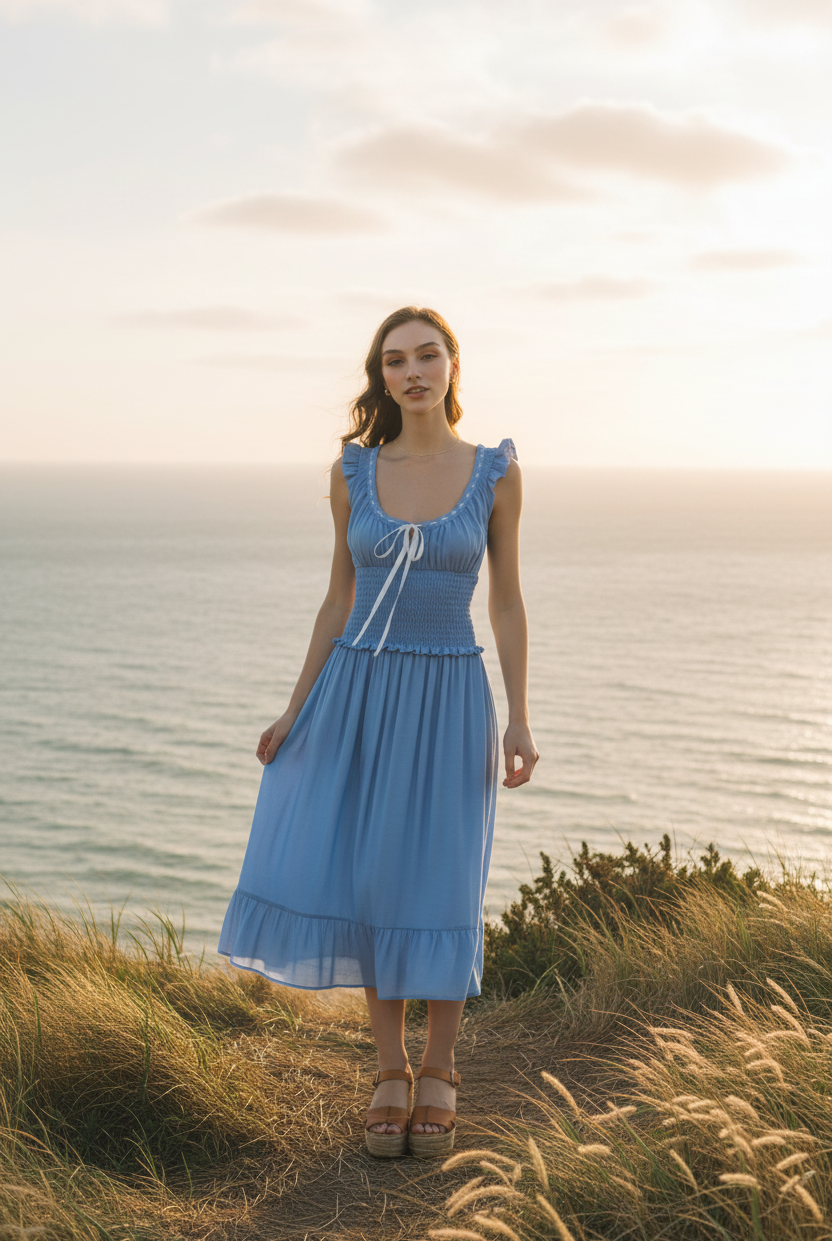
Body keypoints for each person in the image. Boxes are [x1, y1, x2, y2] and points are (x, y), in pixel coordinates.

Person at [218, 306, 538, 1158]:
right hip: (357, 688)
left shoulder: (494, 472)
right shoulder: (352, 473)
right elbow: (337, 598)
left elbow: (506, 601)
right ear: (381, 376)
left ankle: (441, 1065)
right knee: (369, 878)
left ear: (452, 365)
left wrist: (520, 716)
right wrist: (295, 708)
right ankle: (390, 1067)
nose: (412, 371)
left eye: (427, 355)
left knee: (440, 876)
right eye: (395, 360)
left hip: (447, 693)